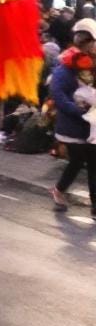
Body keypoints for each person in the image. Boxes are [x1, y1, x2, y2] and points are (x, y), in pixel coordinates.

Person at [48, 19, 96, 210]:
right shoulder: (66, 66)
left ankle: (93, 204)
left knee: (90, 163)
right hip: (74, 125)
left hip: (92, 124)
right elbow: (58, 95)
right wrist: (79, 111)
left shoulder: (93, 65)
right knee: (79, 161)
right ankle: (59, 190)